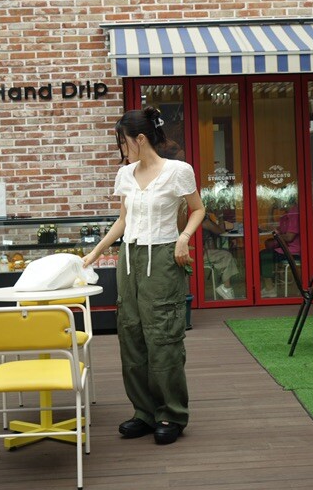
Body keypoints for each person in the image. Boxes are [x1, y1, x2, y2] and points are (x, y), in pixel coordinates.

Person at [83, 106, 205, 445]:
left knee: (163, 337)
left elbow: (198, 209)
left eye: (123, 141)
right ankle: (144, 412)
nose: (121, 149)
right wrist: (95, 252)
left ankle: (171, 414)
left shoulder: (178, 171)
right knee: (131, 335)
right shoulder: (125, 174)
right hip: (129, 259)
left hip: (163, 258)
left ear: (139, 139)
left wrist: (184, 238)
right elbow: (123, 221)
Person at [259, 199, 300, 297]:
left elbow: (289, 237)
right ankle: (272, 284)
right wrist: (271, 210)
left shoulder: (294, 214)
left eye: (277, 200)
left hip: (295, 251)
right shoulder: (285, 215)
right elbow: (272, 228)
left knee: (264, 256)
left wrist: (277, 236)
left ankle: (270, 289)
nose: (276, 203)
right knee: (267, 247)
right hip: (286, 248)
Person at [202, 213, 239, 299]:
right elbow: (220, 230)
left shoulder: (203, 220)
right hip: (200, 254)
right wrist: (220, 215)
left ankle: (225, 286)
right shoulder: (205, 222)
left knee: (228, 257)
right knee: (227, 256)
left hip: (200, 252)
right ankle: (226, 287)